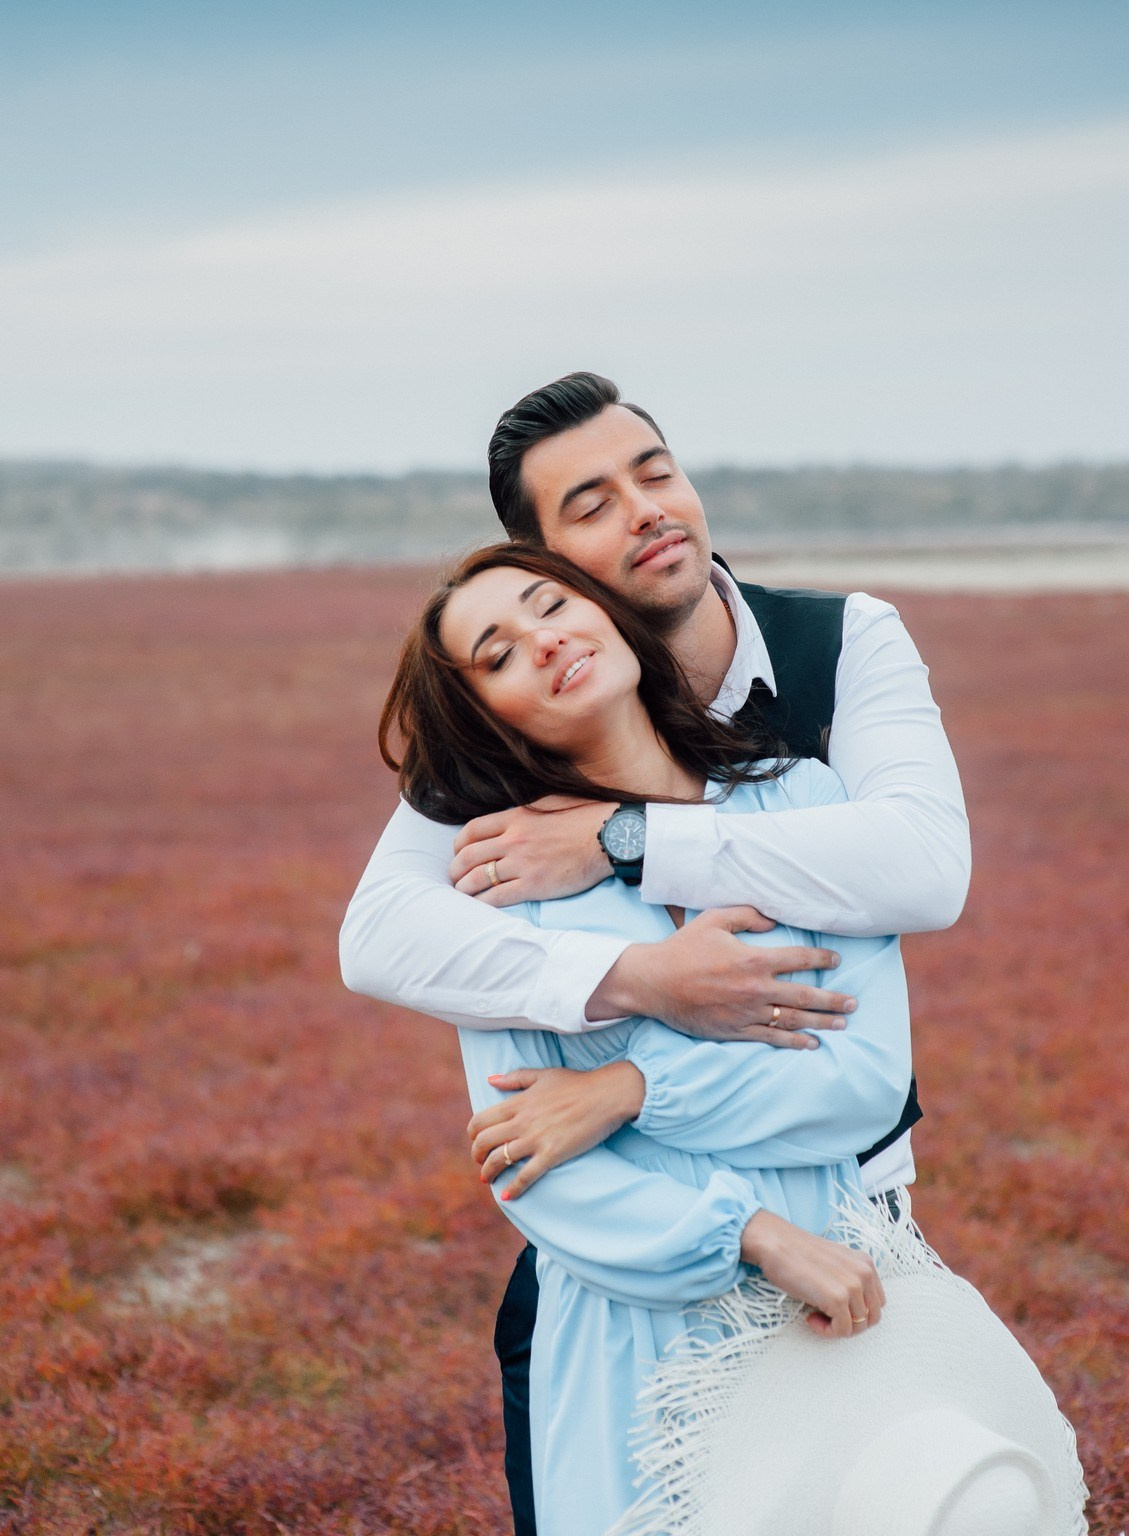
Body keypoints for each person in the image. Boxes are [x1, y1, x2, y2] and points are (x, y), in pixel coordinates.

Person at [340, 372, 971, 1531]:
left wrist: (629, 1070)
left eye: (653, 470)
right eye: (588, 504)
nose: (644, 510)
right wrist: (635, 982)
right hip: (622, 1307)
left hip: (850, 1236)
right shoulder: (498, 854)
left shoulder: (821, 713)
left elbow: (908, 916)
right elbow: (396, 961)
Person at [372, 542, 1084, 1536]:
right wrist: (751, 1236)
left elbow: (864, 1082)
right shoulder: (500, 888)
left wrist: (631, 1089)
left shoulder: (799, 803)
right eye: (497, 654)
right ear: (488, 715)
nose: (543, 642)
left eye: (549, 606)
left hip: (841, 1304)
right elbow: (540, 1171)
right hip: (631, 1346)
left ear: (607, 615)